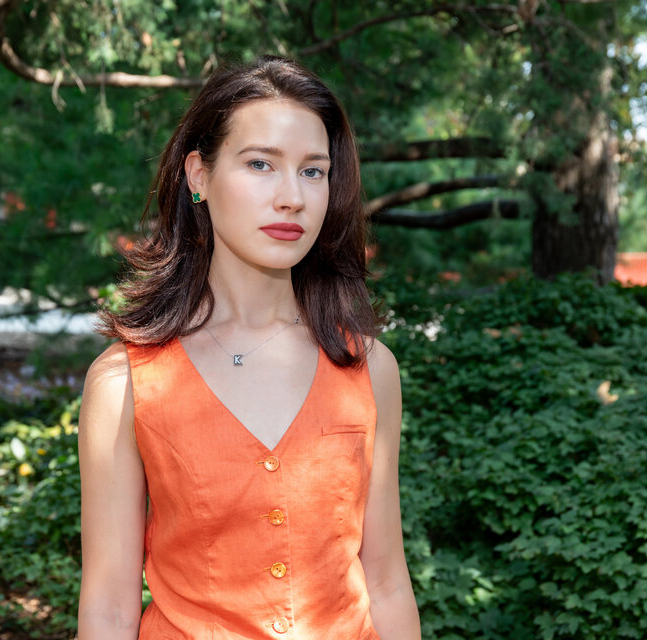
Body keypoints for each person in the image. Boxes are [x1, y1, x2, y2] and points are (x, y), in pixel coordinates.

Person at [77, 55, 420, 640]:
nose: (292, 197)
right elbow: (109, 608)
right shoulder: (124, 381)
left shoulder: (369, 368)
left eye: (313, 171)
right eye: (261, 164)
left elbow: (385, 581)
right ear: (198, 176)